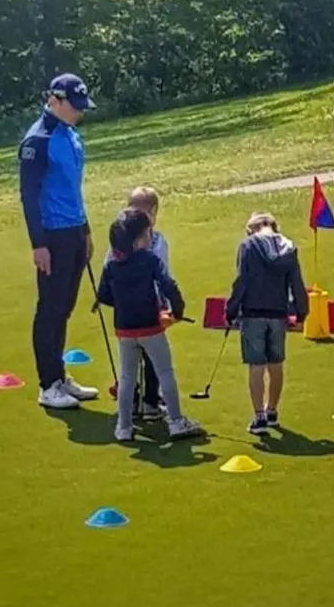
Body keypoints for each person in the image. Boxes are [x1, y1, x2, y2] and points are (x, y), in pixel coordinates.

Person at [18, 73, 100, 410]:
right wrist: (38, 244)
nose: (79, 112)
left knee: (64, 307)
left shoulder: (70, 134)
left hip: (74, 231)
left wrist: (87, 229)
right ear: (55, 100)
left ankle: (60, 376)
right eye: (74, 106)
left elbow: (72, 190)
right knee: (49, 309)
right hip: (51, 235)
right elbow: (29, 195)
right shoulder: (38, 140)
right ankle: (47, 384)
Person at [96, 208, 202, 443]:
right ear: (137, 240)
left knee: (126, 378)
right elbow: (168, 285)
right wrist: (177, 311)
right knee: (165, 372)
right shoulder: (150, 259)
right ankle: (176, 422)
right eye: (146, 234)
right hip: (150, 327)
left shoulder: (111, 265)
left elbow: (103, 294)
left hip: (124, 329)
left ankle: (123, 427)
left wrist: (123, 303)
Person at [225, 212, 309, 436]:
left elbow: (241, 280)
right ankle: (271, 411)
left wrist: (230, 310)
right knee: (276, 364)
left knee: (256, 366)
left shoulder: (248, 246)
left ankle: (258, 417)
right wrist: (301, 314)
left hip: (253, 314)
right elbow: (297, 284)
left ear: (252, 228)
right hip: (278, 314)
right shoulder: (288, 247)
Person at [103, 186, 169, 419]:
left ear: (154, 213)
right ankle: (130, 400)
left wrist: (166, 304)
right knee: (130, 360)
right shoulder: (117, 244)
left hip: (151, 306)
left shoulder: (159, 242)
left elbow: (163, 274)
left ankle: (151, 400)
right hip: (127, 308)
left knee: (153, 358)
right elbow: (107, 273)